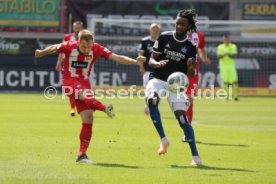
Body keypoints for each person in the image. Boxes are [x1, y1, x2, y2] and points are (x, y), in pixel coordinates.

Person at [35, 29, 145, 164]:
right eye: (83, 47)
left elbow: (117, 57)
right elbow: (54, 48)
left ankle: (82, 155)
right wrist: (41, 53)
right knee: (86, 96)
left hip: (84, 82)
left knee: (88, 118)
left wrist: (135, 62)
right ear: (78, 42)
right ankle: (105, 108)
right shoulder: (69, 46)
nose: (87, 50)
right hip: (70, 81)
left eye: (89, 46)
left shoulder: (97, 48)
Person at [145, 9, 202, 166]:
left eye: (183, 24)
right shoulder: (164, 37)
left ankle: (195, 157)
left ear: (189, 27)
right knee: (152, 100)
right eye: (178, 22)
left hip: (176, 87)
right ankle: (164, 139)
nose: (179, 25)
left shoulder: (191, 46)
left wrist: (190, 67)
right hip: (158, 79)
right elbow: (151, 61)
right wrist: (157, 64)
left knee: (183, 119)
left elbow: (191, 73)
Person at [186, 10, 211, 124]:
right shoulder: (176, 34)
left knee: (189, 99)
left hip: (192, 71)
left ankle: (187, 129)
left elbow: (201, 49)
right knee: (178, 101)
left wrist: (203, 57)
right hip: (178, 70)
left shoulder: (200, 36)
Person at [56, 21, 84, 116]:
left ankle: (83, 106)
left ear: (81, 28)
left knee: (80, 88)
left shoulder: (85, 37)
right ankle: (72, 108)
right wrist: (59, 63)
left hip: (81, 66)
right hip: (68, 65)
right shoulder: (67, 37)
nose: (76, 29)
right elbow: (61, 50)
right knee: (68, 89)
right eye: (75, 28)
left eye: (78, 28)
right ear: (73, 28)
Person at [137, 23, 161, 115]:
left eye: (156, 29)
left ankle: (153, 108)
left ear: (158, 31)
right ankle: (148, 106)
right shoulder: (144, 41)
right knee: (148, 90)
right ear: (150, 30)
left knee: (159, 90)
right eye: (153, 29)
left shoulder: (161, 41)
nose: (154, 31)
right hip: (148, 70)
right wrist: (141, 67)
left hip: (159, 71)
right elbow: (140, 55)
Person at [217, 34, 239, 101]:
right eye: (225, 39)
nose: (226, 40)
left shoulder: (233, 46)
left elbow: (234, 56)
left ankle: (235, 96)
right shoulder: (220, 47)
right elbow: (218, 56)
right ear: (223, 40)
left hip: (231, 66)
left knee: (234, 81)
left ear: (229, 40)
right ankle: (227, 96)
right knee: (225, 82)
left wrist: (228, 54)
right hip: (223, 66)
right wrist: (223, 55)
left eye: (227, 39)